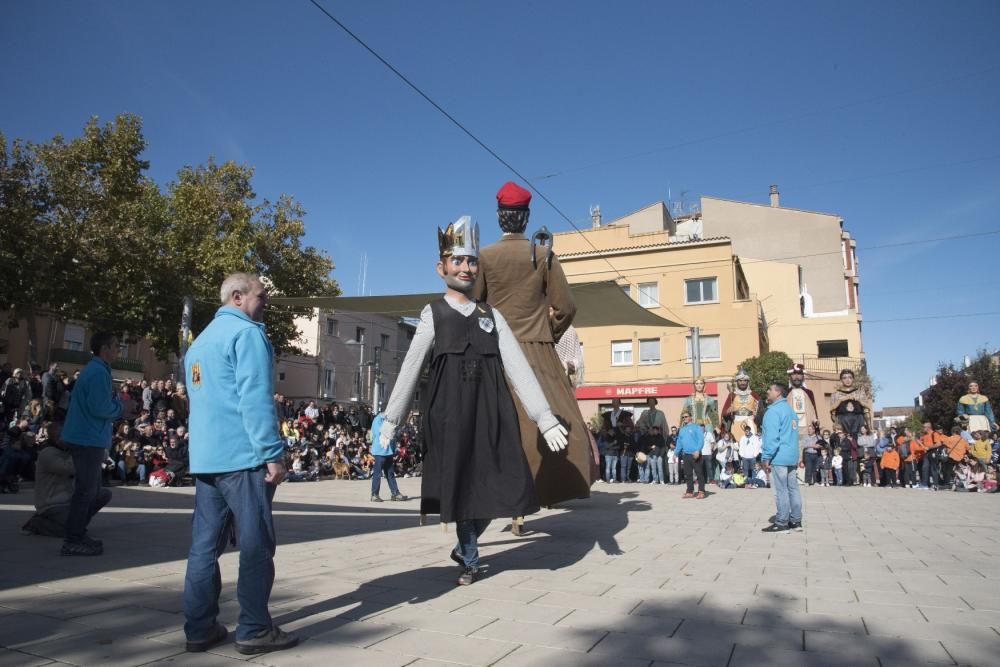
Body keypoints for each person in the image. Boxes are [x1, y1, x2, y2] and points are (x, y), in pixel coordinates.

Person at [379, 216, 568, 586]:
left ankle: (466, 549)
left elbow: (517, 368)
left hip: (494, 412)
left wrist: (543, 417)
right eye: (457, 260)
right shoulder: (432, 314)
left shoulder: (492, 315)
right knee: (464, 485)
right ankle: (470, 558)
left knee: (509, 481)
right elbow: (411, 366)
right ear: (441, 267)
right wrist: (391, 420)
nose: (466, 268)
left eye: (471, 261)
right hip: (449, 415)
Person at [182, 272, 299, 655]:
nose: (265, 303)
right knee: (255, 544)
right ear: (237, 296)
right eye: (261, 297)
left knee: (204, 546)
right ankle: (254, 628)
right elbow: (255, 397)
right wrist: (272, 453)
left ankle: (199, 627)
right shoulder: (247, 334)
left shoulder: (199, 343)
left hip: (206, 457)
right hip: (243, 456)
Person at [473, 182, 592, 513]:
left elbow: (475, 307)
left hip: (497, 350)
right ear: (525, 218)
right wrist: (548, 333)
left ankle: (504, 497)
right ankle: (540, 492)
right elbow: (567, 307)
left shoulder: (484, 257)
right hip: (538, 350)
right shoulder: (544, 256)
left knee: (495, 424)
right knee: (552, 420)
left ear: (500, 218)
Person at [60, 332, 123, 556]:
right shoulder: (97, 372)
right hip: (87, 439)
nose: (119, 349)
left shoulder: (97, 370)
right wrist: (120, 408)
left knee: (93, 492)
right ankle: (73, 538)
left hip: (88, 437)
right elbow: (100, 408)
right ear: (104, 348)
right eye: (116, 345)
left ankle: (75, 531)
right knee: (86, 491)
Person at [21, 422, 111, 538]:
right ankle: (37, 523)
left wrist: (94, 449)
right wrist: (77, 451)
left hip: (70, 500)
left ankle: (77, 523)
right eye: (59, 437)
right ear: (54, 438)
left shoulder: (68, 452)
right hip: (52, 504)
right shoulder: (47, 453)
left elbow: (100, 455)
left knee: (103, 494)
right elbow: (70, 469)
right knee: (70, 532)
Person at [760, 382, 802, 533]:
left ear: (778, 392)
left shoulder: (773, 411)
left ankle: (782, 522)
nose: (767, 391)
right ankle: (796, 521)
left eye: (769, 389)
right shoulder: (790, 411)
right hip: (791, 455)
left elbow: (771, 437)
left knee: (781, 490)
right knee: (793, 489)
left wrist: (766, 457)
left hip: (779, 456)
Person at [370, 412, 406, 502]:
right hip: (379, 451)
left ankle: (395, 493)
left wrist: (393, 450)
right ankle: (374, 494)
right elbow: (380, 433)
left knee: (390, 474)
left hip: (388, 452)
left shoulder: (390, 421)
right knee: (377, 474)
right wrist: (392, 429)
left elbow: (392, 437)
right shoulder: (378, 420)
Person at [721, 368, 760, 440]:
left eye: (745, 380)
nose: (743, 383)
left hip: (751, 423)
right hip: (736, 424)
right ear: (737, 381)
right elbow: (724, 413)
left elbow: (760, 410)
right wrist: (728, 412)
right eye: (740, 380)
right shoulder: (732, 395)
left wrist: (756, 414)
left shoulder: (754, 394)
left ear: (748, 382)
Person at [675, 412, 706, 499]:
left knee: (699, 473)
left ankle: (701, 491)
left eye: (686, 416)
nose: (684, 418)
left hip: (695, 454)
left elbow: (701, 440)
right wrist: (675, 453)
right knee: (688, 474)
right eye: (683, 417)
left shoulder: (696, 427)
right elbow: (679, 442)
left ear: (690, 417)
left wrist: (698, 450)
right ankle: (690, 491)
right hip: (686, 455)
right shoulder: (681, 429)